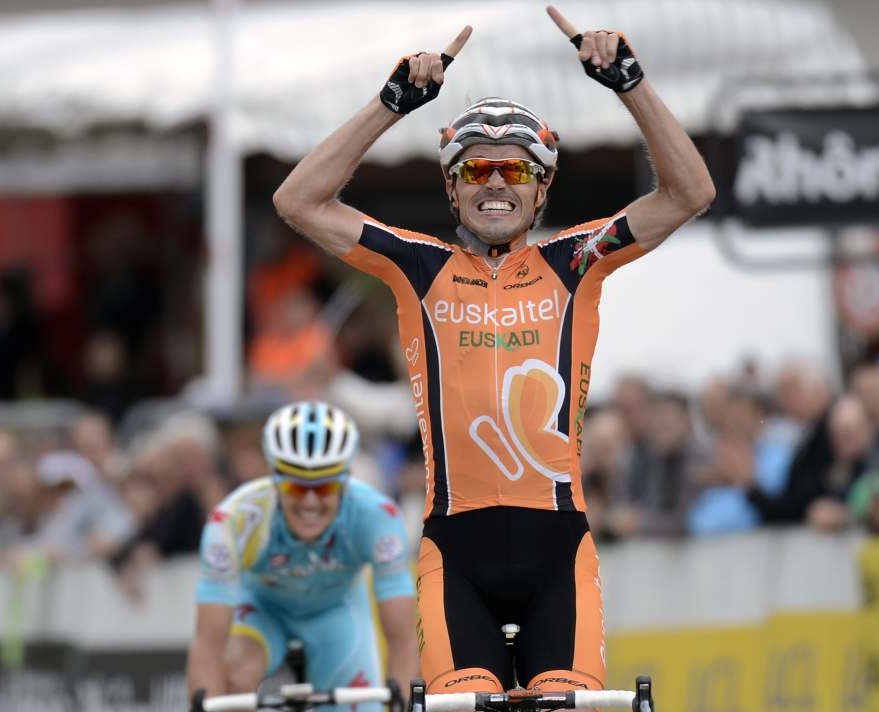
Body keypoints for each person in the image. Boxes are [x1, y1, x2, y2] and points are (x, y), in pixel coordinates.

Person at [272, 6, 714, 695]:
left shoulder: (578, 261)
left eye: (515, 170)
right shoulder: (419, 268)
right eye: (476, 170)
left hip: (558, 551)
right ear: (451, 187)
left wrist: (630, 84)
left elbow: (691, 192)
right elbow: (298, 200)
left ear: (542, 188)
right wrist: (391, 106)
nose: (497, 183)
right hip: (456, 554)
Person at [186, 401, 417, 710]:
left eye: (323, 488)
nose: (309, 502)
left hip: (337, 612)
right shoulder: (234, 520)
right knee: (234, 675)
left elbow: (403, 639)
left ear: (344, 483)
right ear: (275, 480)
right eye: (296, 487)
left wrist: (401, 703)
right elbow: (207, 647)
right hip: (262, 609)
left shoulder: (376, 516)